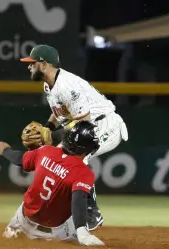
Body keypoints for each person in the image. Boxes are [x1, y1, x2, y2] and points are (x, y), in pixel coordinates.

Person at [19, 44, 129, 230]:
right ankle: (51, 213)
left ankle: (92, 212)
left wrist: (51, 135)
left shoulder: (66, 86)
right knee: (54, 161)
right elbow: (59, 111)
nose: (29, 66)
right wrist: (48, 127)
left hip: (104, 125)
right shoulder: (49, 84)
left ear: (44, 64)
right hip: (84, 128)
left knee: (75, 159)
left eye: (33, 63)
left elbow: (84, 123)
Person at [0, 121, 105, 246]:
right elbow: (78, 201)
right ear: (91, 147)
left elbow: (19, 159)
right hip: (54, 233)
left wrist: (5, 150)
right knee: (80, 226)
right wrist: (82, 232)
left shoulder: (46, 151)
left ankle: (14, 230)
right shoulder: (83, 172)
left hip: (22, 220)